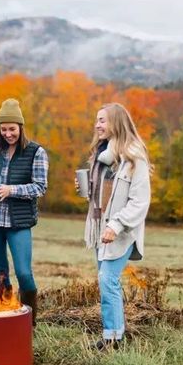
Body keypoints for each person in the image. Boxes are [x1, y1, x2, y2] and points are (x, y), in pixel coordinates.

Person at [77, 103, 151, 351]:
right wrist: (88, 189)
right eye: (96, 120)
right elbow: (105, 195)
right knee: (107, 281)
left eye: (102, 120)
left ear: (116, 123)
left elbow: (140, 201)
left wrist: (117, 224)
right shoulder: (103, 155)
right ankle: (115, 332)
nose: (97, 125)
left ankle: (112, 340)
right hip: (100, 228)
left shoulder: (133, 157)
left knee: (107, 279)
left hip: (121, 231)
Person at [0, 98, 49, 326]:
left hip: (18, 223)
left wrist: (10, 190)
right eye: (4, 129)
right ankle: (5, 317)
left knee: (24, 273)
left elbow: (40, 187)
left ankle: (29, 323)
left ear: (21, 127)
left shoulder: (36, 152)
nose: (8, 134)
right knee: (0, 272)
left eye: (12, 129)